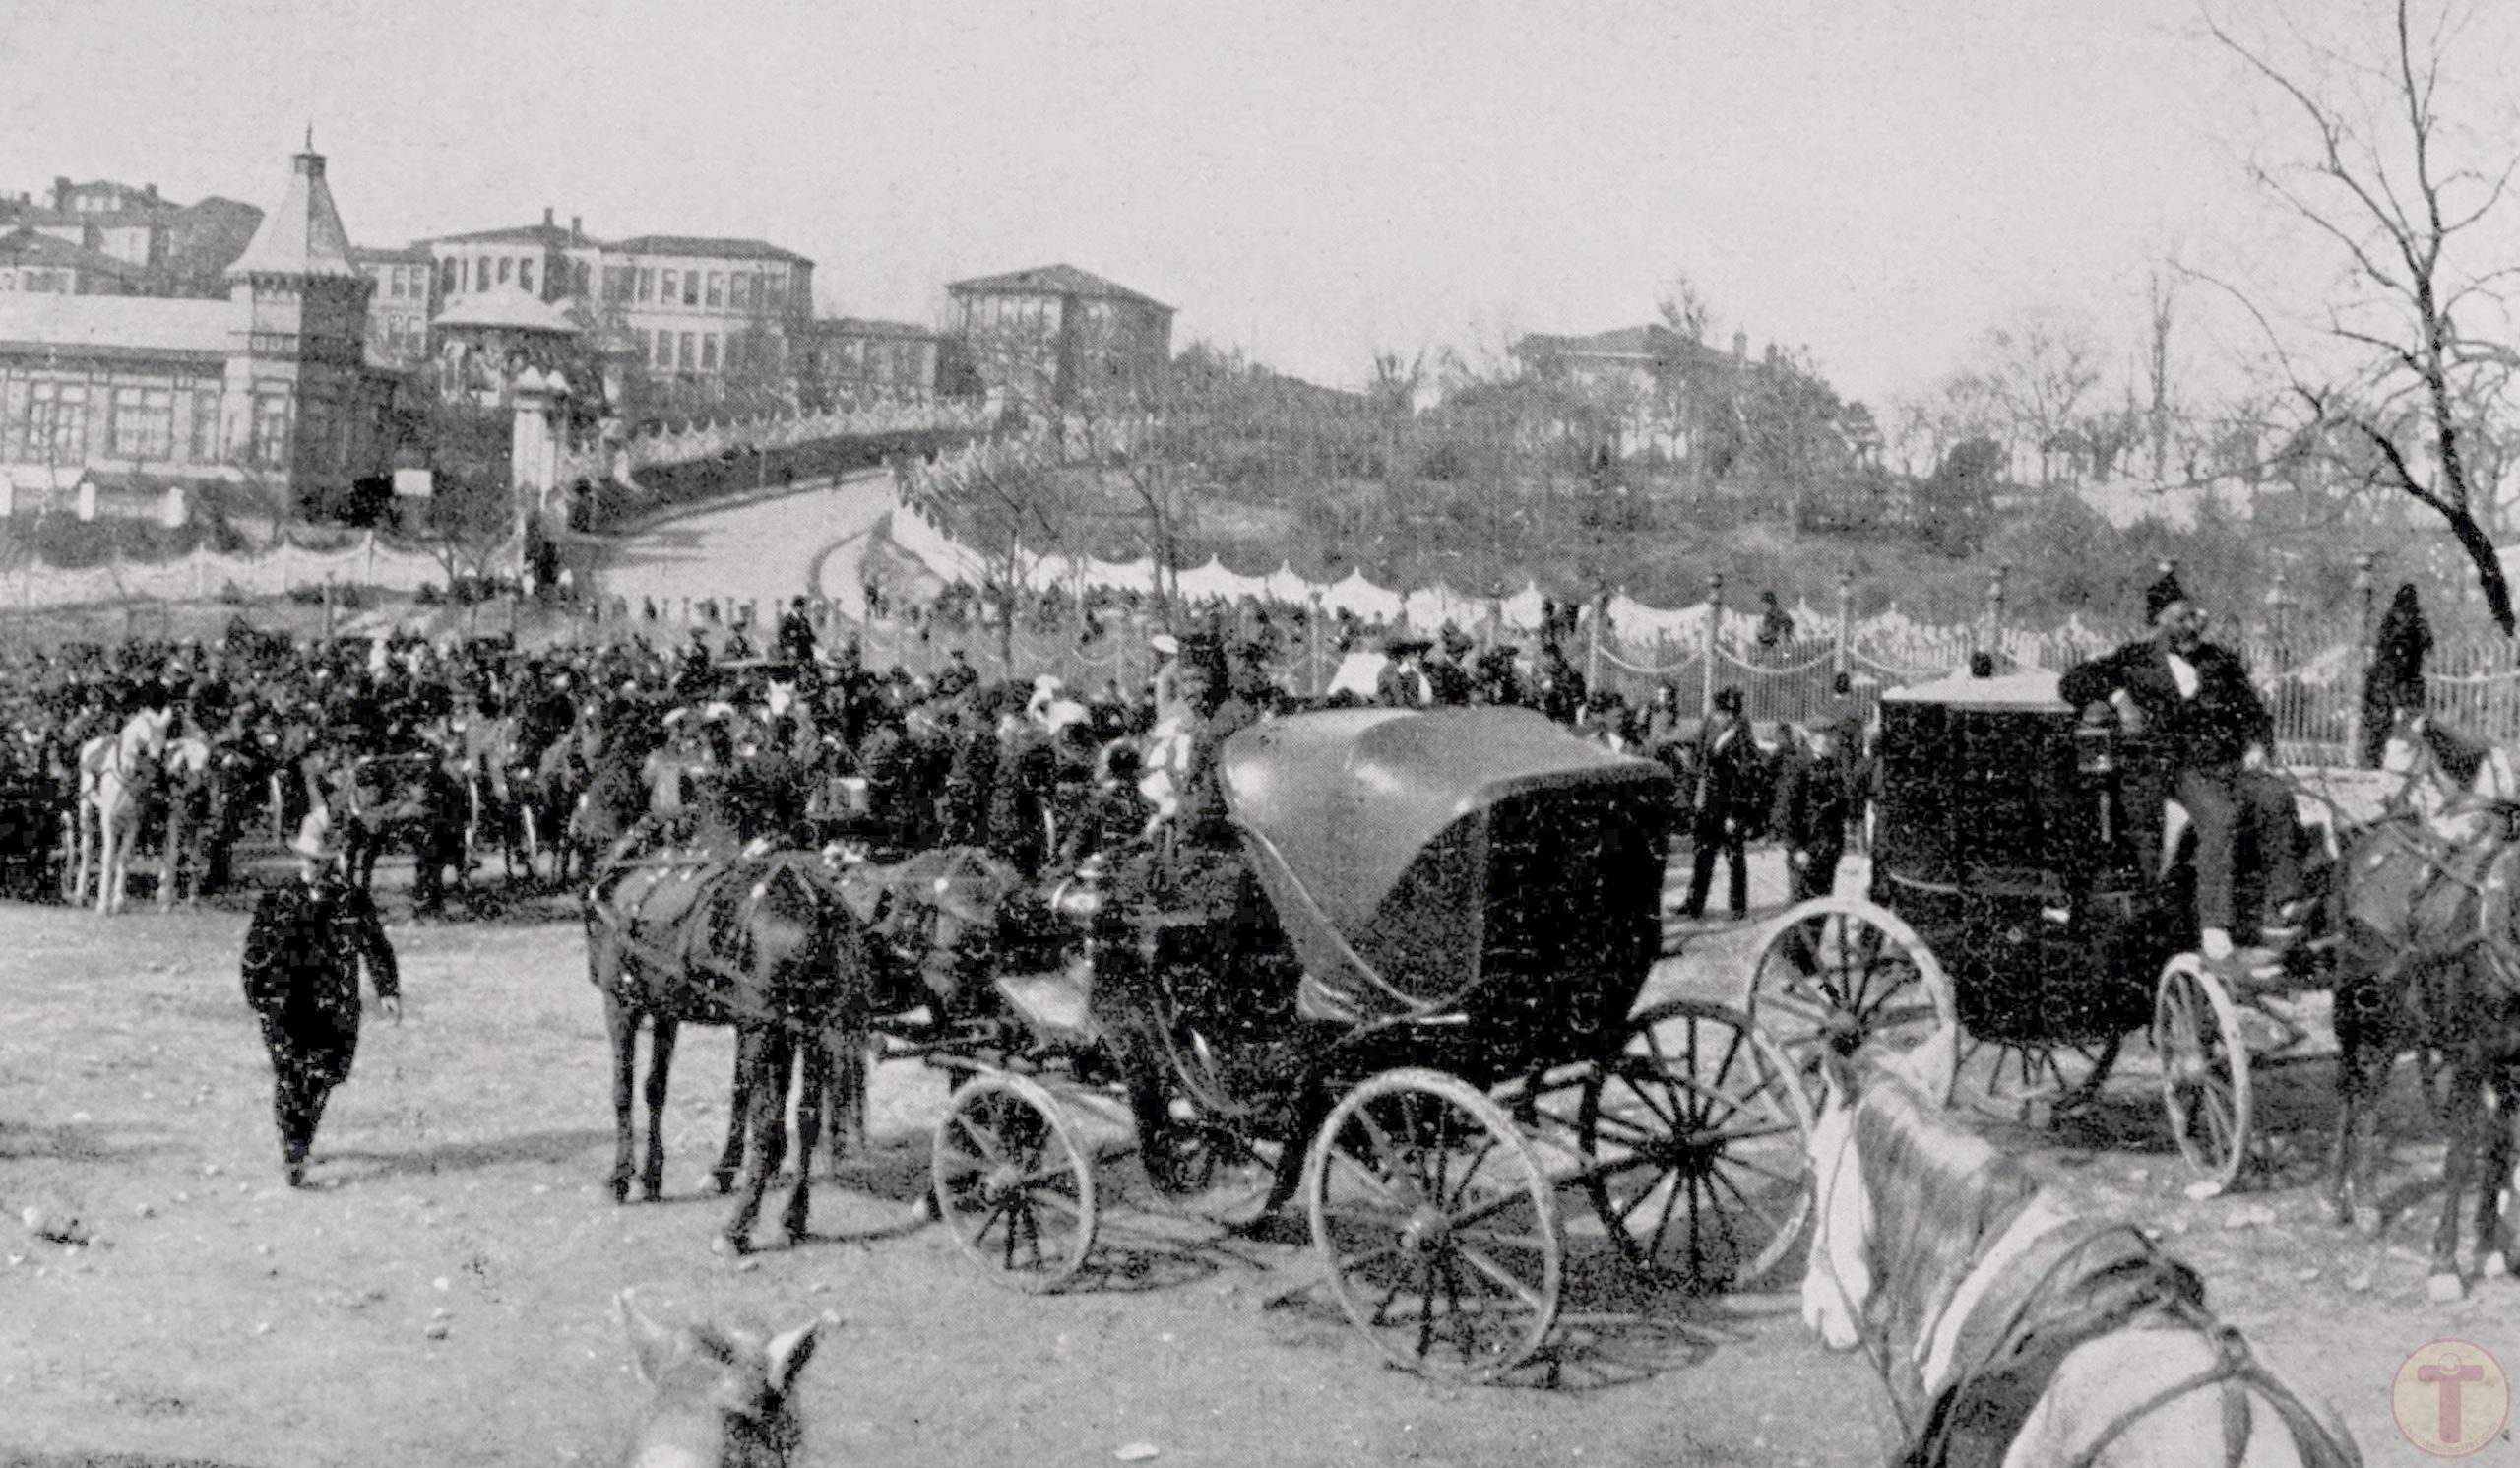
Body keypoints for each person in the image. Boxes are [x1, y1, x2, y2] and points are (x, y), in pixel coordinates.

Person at [2059, 567, 2302, 966]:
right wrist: (2120, 699)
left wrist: (2259, 743)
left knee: (2276, 797)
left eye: (2193, 618)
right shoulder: (2135, 661)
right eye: (2179, 620)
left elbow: (2254, 711)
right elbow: (2074, 681)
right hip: (2176, 770)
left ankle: (2286, 902)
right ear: (2158, 622)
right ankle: (2215, 926)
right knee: (2221, 817)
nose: (2190, 627)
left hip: (2227, 765)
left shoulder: (2221, 661)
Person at [240, 811, 402, 1188]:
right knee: (290, 1074)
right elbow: (254, 949)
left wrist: (388, 989)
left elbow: (375, 944)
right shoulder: (277, 897)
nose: (317, 869)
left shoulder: (351, 899)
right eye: (312, 861)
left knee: (323, 1075)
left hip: (334, 1003)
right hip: (286, 1003)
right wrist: (255, 990)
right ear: (301, 859)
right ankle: (293, 1151)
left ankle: (304, 1137)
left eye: (325, 863)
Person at [1678, 685, 1760, 921]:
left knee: (1734, 856)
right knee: (1703, 854)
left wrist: (1735, 814)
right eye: (1721, 712)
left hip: (1730, 805)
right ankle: (1694, 904)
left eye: (1728, 714)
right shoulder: (1709, 724)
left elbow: (1744, 777)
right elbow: (1698, 756)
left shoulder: (1741, 733)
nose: (1723, 717)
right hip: (1709, 802)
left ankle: (1738, 906)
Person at [1772, 719, 1856, 905]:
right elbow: (1787, 810)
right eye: (1830, 738)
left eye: (1835, 738)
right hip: (1806, 848)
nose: (1835, 742)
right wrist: (1796, 848)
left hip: (1828, 848)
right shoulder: (1797, 765)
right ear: (1814, 738)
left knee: (1821, 905)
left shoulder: (1832, 765)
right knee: (1801, 909)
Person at [2359, 582, 2430, 767]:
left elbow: (2382, 646)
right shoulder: (2417, 620)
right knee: (2406, 722)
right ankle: (2400, 759)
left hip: (2386, 677)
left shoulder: (2390, 619)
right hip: (2406, 679)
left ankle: (2373, 758)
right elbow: (2427, 643)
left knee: (2380, 722)